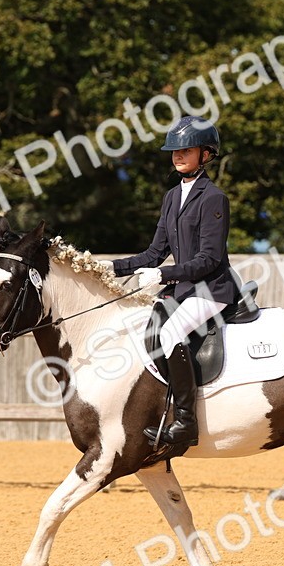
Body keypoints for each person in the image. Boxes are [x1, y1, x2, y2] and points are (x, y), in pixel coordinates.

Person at [101, 115, 238, 448]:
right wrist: (110, 268)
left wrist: (164, 275)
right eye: (175, 151)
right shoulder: (171, 197)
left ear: (206, 154)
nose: (178, 156)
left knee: (171, 332)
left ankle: (187, 422)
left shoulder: (213, 198)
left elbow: (209, 259)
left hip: (212, 290)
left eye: (186, 150)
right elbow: (154, 253)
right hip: (185, 289)